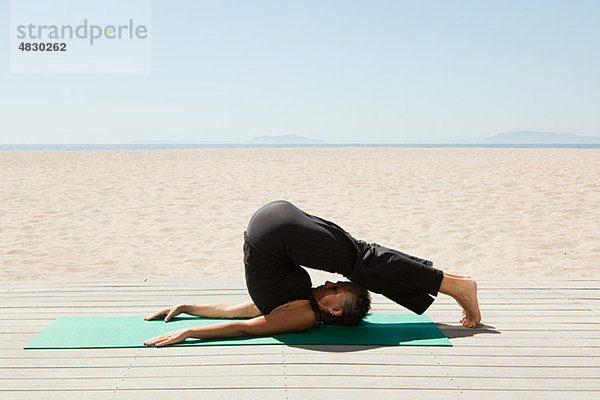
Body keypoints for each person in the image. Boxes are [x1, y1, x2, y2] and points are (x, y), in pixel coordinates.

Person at [144, 200, 481, 347]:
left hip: (274, 232)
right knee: (361, 258)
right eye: (337, 283)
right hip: (276, 229)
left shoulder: (302, 315)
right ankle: (451, 283)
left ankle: (453, 284)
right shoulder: (296, 303)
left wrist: (191, 329)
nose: (331, 281)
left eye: (337, 288)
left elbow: (244, 324)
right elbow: (244, 311)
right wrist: (188, 307)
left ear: (334, 310)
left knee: (362, 258)